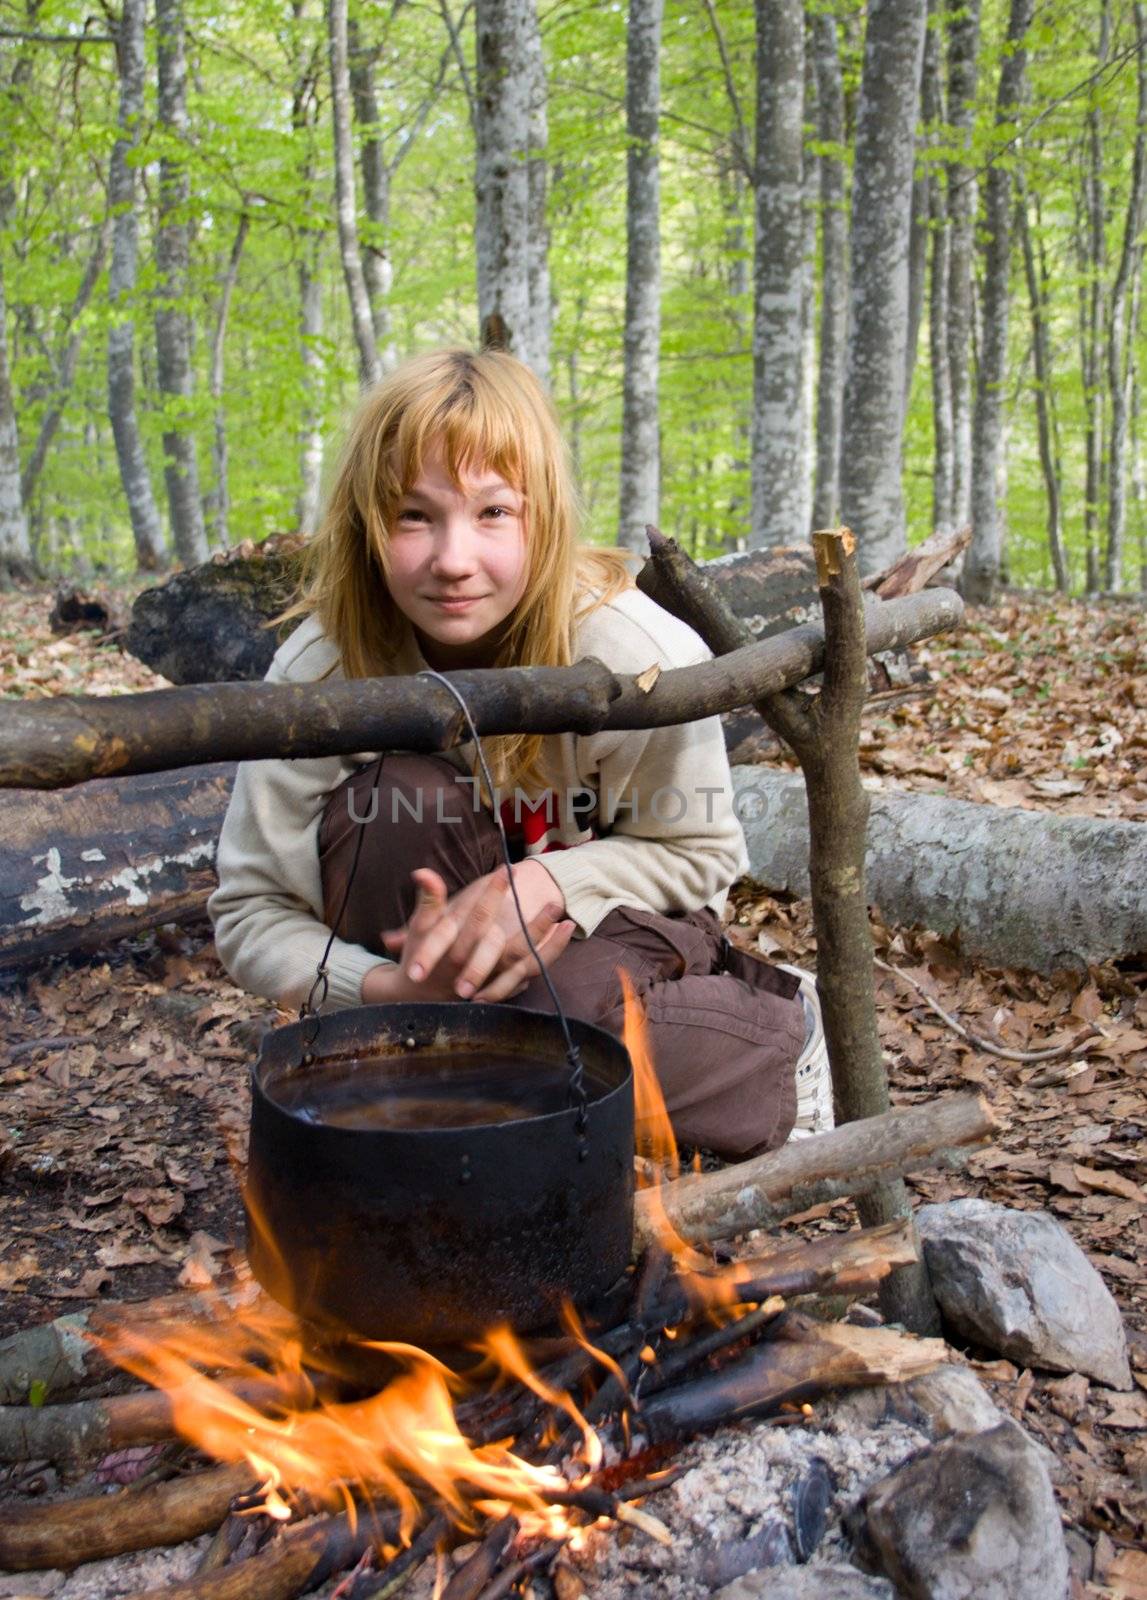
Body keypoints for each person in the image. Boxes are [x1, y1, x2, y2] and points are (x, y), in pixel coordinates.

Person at [208, 348, 832, 1157]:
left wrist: (539, 880)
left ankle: (775, 1047)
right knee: (388, 807)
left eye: (492, 513)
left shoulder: (629, 653)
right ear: (365, 522)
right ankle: (456, 1081)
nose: (453, 560)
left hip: (616, 926)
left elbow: (700, 854)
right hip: (421, 960)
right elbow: (250, 911)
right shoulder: (322, 670)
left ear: (543, 517)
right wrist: (386, 990)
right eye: (412, 515)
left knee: (551, 1023)